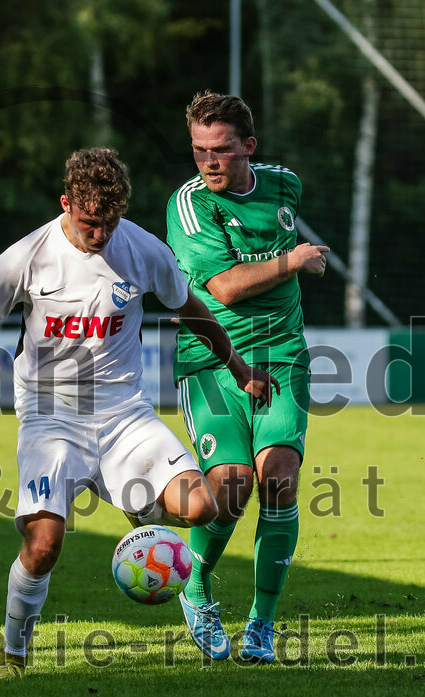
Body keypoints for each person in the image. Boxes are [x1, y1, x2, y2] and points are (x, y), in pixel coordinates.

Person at [0, 148, 277, 679]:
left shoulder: (143, 250)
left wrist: (236, 367)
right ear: (67, 203)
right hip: (51, 419)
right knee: (44, 546)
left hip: (124, 415)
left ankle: (141, 513)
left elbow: (192, 308)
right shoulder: (27, 255)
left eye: (110, 223)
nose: (100, 236)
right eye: (91, 223)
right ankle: (15, 651)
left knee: (203, 507)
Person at [166, 90, 328, 664]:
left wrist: (287, 262)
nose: (209, 162)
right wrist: (295, 260)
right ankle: (196, 587)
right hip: (213, 361)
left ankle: (262, 624)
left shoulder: (285, 185)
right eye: (199, 150)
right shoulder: (188, 205)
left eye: (222, 150)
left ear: (249, 148)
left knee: (279, 477)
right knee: (231, 485)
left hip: (282, 354)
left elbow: (261, 265)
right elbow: (226, 287)